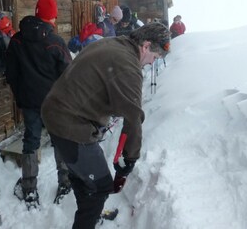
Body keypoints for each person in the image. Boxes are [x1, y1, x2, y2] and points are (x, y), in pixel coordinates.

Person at [41, 23, 171, 229]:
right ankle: (86, 221)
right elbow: (134, 118)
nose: (149, 64)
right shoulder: (128, 66)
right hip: (70, 124)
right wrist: (129, 160)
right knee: (101, 186)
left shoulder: (113, 44)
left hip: (57, 113)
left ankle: (90, 215)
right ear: (146, 46)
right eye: (154, 58)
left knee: (84, 178)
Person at [5, 0, 72, 208]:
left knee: (31, 140)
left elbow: (11, 73)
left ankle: (29, 188)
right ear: (52, 17)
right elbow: (68, 74)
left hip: (29, 102)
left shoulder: (16, 40)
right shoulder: (55, 42)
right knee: (60, 139)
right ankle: (65, 182)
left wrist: (21, 96)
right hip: (53, 103)